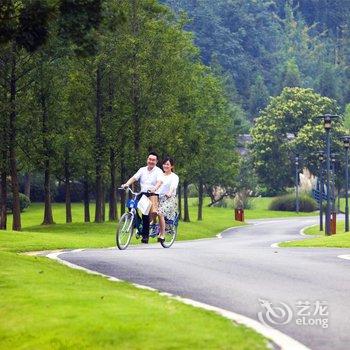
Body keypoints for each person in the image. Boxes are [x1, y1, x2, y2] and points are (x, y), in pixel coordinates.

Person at [122, 152, 163, 243]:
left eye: (153, 160)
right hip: (142, 193)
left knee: (145, 214)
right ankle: (136, 222)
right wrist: (127, 184)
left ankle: (145, 236)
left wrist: (155, 188)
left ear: (156, 161)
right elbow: (134, 178)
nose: (151, 161)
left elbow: (159, 182)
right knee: (130, 204)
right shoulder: (142, 169)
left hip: (152, 195)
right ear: (147, 160)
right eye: (150, 159)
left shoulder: (159, 171)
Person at [152, 156, 179, 242]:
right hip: (160, 199)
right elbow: (158, 184)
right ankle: (153, 224)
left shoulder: (174, 177)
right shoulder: (161, 175)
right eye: (164, 164)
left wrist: (170, 192)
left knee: (160, 213)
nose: (165, 166)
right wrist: (153, 189)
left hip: (170, 199)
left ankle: (162, 234)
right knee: (150, 209)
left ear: (172, 166)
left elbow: (173, 186)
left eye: (168, 164)